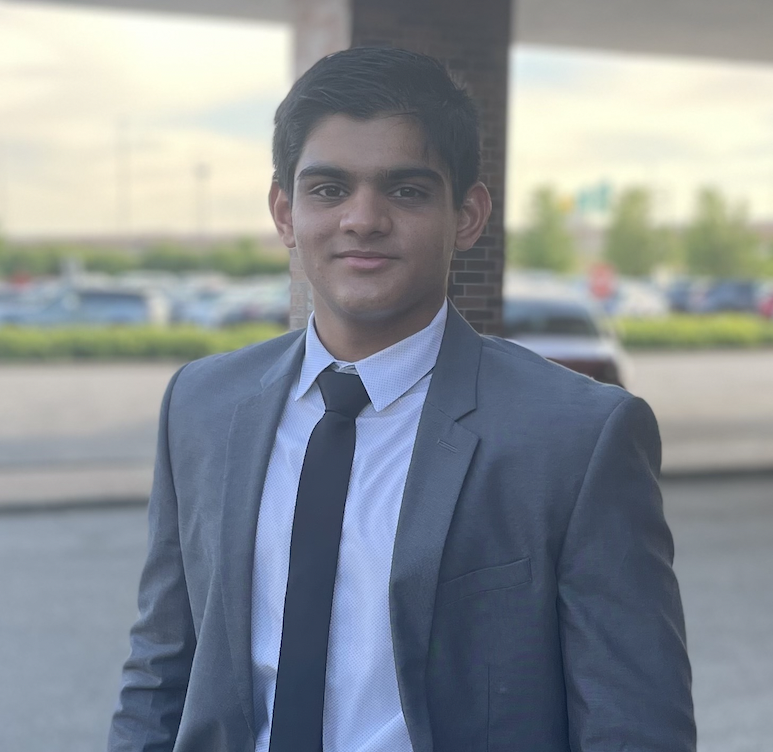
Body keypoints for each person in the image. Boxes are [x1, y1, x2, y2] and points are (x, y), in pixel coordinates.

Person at [108, 47, 695, 752]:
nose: (363, 219)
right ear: (284, 213)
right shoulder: (200, 405)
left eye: (405, 190)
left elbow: (633, 726)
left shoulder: (575, 438)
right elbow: (160, 672)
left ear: (468, 215)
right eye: (328, 189)